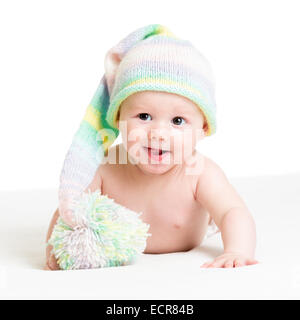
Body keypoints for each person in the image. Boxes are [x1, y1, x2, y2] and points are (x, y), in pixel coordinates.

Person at [45, 24, 258, 270]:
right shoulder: (105, 167)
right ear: (117, 119)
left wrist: (237, 250)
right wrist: (55, 250)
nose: (158, 133)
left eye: (178, 121)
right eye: (144, 116)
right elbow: (69, 209)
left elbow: (232, 211)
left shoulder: (200, 173)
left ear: (204, 128)